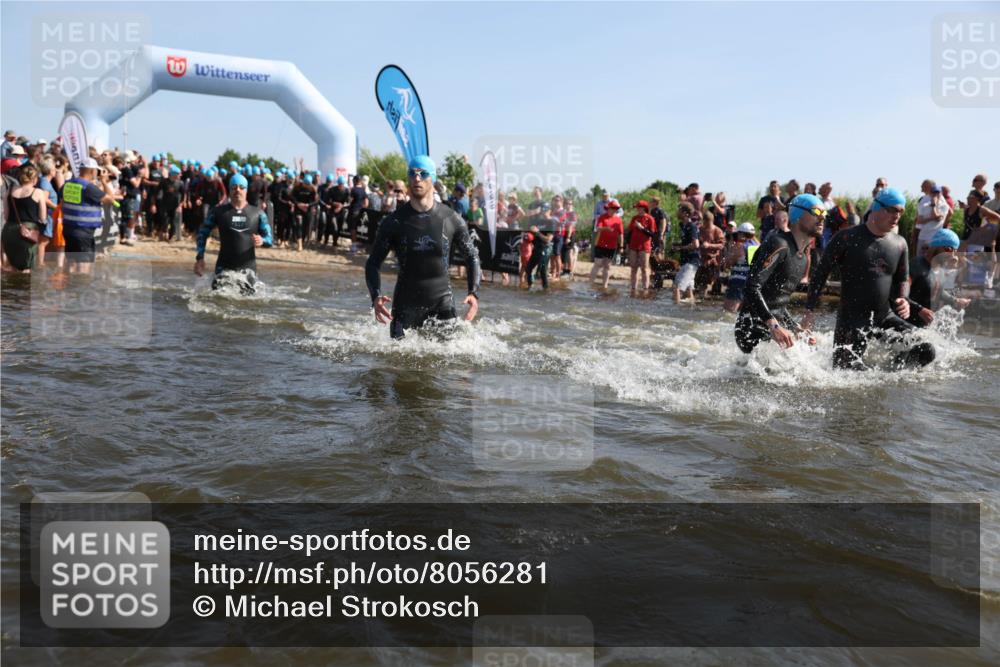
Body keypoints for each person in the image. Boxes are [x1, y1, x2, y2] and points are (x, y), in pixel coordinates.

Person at [803, 188, 935, 370]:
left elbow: (902, 279)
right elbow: (819, 274)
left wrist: (904, 299)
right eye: (892, 210)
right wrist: (809, 311)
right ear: (876, 208)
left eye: (901, 211)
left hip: (884, 317)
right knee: (848, 374)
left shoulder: (899, 243)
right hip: (851, 321)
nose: (897, 215)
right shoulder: (846, 238)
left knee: (926, 349)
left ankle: (892, 374)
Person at [365, 155, 480, 339]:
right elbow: (373, 263)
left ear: (432, 179)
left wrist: (473, 293)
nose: (417, 178)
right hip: (405, 305)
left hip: (442, 303)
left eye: (423, 173)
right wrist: (376, 297)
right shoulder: (393, 221)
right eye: (412, 173)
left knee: (450, 362)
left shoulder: (451, 219)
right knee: (396, 363)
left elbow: (472, 256)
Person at [734, 196, 822, 352]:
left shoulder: (801, 258)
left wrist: (795, 328)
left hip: (771, 329)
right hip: (752, 329)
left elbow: (776, 301)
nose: (822, 217)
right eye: (816, 212)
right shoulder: (778, 244)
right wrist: (773, 325)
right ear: (797, 215)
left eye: (824, 213)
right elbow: (751, 287)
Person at [194, 173, 273, 294]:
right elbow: (202, 233)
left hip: (248, 271)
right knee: (217, 302)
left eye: (241, 187)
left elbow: (269, 239)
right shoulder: (218, 212)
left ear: (246, 190)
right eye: (234, 187)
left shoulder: (258, 213)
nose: (238, 190)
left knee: (248, 306)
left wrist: (262, 240)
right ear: (229, 189)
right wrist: (200, 258)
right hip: (223, 269)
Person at [60, 157, 118, 273]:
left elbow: (62, 201)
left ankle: (68, 288)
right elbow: (110, 199)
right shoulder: (88, 187)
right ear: (92, 171)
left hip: (68, 229)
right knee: (83, 264)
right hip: (84, 232)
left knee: (71, 261)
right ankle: (81, 289)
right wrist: (104, 182)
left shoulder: (67, 184)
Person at [906, 229, 971, 327]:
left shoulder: (940, 270)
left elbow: (938, 291)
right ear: (935, 246)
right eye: (949, 249)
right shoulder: (916, 266)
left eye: (955, 251)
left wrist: (956, 301)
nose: (952, 255)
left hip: (923, 328)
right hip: (906, 324)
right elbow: (899, 294)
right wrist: (920, 310)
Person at [1, 163, 47, 272]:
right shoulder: (38, 192)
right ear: (35, 179)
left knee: (12, 267)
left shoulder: (9, 191)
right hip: (28, 233)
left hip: (9, 231)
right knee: (26, 269)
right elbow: (42, 217)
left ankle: (9, 289)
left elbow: (6, 216)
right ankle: (23, 288)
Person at [722, 222, 760, 313]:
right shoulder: (758, 246)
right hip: (751, 283)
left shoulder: (740, 247)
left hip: (737, 282)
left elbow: (726, 264)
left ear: (742, 234)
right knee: (741, 313)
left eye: (738, 233)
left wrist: (730, 247)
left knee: (728, 312)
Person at [589, 198, 623, 289]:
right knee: (598, 263)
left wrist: (621, 246)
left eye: (615, 209)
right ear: (608, 208)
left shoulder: (618, 220)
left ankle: (605, 285)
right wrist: (606, 228)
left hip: (612, 246)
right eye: (612, 208)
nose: (613, 210)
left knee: (607, 266)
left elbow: (620, 234)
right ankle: (590, 284)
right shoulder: (602, 217)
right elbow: (598, 228)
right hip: (600, 244)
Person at [672, 203, 700, 303]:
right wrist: (678, 245)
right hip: (686, 261)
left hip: (691, 262)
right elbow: (688, 243)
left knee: (677, 287)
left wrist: (680, 248)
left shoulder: (691, 226)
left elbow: (696, 244)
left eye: (679, 210)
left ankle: (675, 311)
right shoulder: (682, 226)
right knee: (689, 291)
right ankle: (690, 311)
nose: (677, 212)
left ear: (685, 213)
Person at [627, 200, 656, 295]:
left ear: (644, 208)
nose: (637, 209)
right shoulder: (634, 218)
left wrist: (641, 228)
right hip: (633, 245)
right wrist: (627, 244)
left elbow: (652, 234)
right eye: (637, 207)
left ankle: (645, 288)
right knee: (633, 267)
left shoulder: (650, 219)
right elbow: (630, 232)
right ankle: (633, 288)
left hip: (644, 246)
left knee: (644, 268)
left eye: (639, 207)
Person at [695, 208, 726, 297]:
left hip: (713, 260)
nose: (706, 224)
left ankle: (710, 301)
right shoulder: (700, 229)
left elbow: (721, 245)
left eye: (707, 222)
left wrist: (709, 245)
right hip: (701, 259)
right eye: (704, 222)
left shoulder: (717, 231)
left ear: (711, 221)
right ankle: (702, 299)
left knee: (712, 282)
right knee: (700, 282)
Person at [347, 175, 368, 253]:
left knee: (352, 229)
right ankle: (355, 246)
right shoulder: (363, 190)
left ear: (355, 181)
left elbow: (349, 200)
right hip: (360, 212)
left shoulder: (353, 190)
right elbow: (366, 203)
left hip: (353, 211)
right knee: (356, 229)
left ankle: (354, 247)